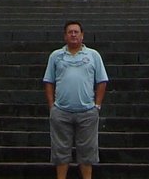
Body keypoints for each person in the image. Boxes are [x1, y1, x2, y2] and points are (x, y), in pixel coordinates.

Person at [43, 20, 108, 179]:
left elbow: (102, 81)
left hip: (87, 112)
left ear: (82, 35)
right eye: (70, 32)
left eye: (76, 32)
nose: (73, 35)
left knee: (87, 152)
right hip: (61, 112)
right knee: (60, 152)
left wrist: (97, 106)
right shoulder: (56, 56)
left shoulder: (93, 55)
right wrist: (52, 107)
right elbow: (49, 81)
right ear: (65, 36)